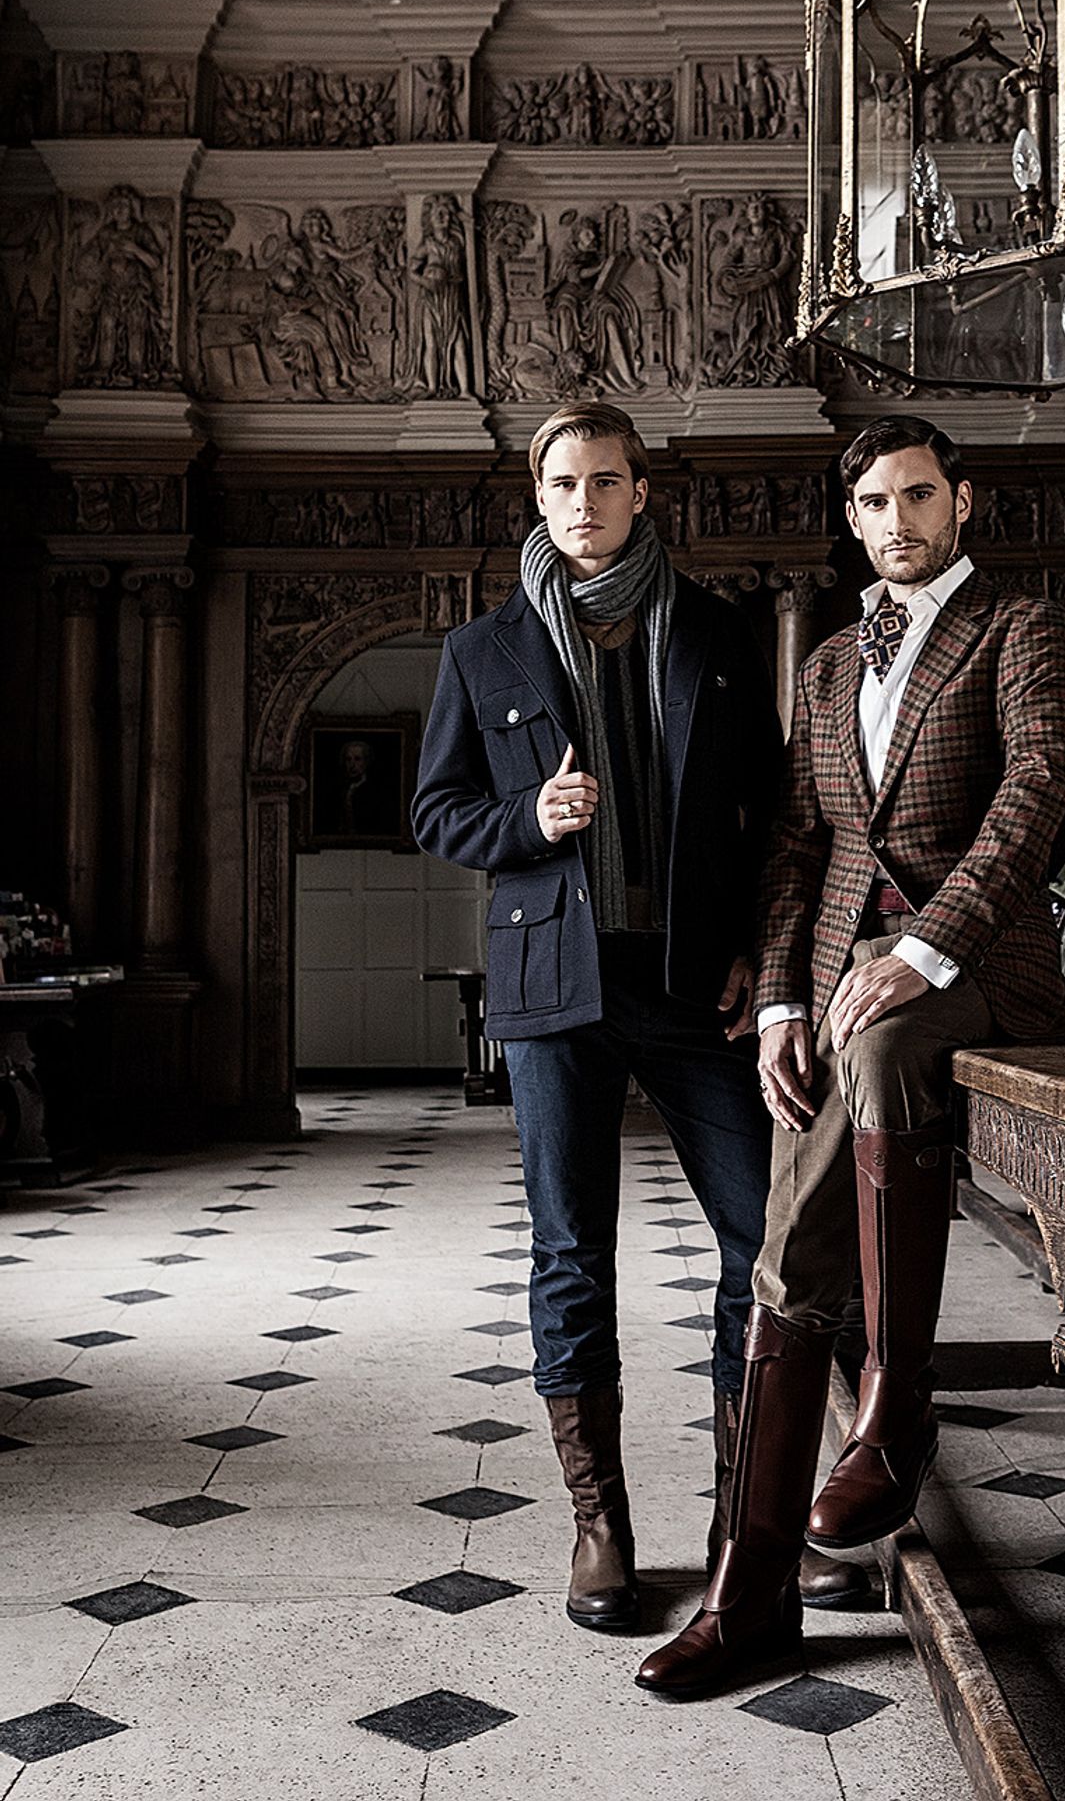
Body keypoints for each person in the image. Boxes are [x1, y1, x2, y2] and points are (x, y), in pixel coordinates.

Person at [638, 415, 1065, 1697]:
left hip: (981, 968)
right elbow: (798, 841)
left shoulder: (1022, 630)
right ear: (851, 521)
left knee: (884, 1040)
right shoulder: (830, 662)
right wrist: (780, 998)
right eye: (875, 504)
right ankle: (753, 1596)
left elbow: (1036, 793)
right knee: (787, 1255)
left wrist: (928, 947)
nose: (897, 520)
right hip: (838, 977)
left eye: (918, 495)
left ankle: (893, 1409)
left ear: (964, 502)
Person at [413, 401, 863, 1636]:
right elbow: (437, 812)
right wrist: (525, 824)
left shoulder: (715, 634)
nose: (583, 501)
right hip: (552, 990)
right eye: (562, 481)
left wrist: (762, 965)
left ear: (640, 492)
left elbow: (779, 821)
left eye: (605, 481)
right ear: (538, 493)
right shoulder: (483, 650)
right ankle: (598, 1526)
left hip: (689, 985)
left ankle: (746, 1519)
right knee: (572, 1251)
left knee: (763, 1244)